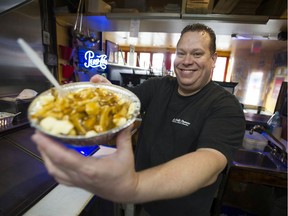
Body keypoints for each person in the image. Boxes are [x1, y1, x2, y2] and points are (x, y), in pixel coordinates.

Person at [32, 23, 245, 216]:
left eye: (197, 53)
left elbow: (208, 164)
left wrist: (135, 186)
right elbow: (122, 101)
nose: (187, 61)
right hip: (145, 206)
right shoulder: (159, 86)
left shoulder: (225, 107)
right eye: (181, 53)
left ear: (213, 59)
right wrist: (103, 93)